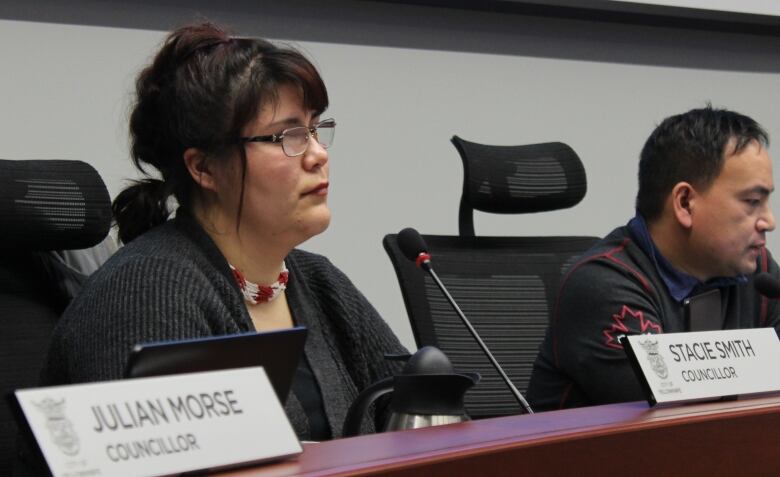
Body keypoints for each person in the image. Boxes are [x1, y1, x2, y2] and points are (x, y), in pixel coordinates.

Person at [40, 22, 406, 440]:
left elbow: (428, 416)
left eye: (315, 129)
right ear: (205, 167)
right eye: (290, 135)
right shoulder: (147, 294)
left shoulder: (321, 283)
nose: (318, 154)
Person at [527, 106, 780, 411]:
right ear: (685, 203)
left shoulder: (757, 272)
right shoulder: (603, 285)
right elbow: (681, 422)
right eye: (752, 202)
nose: (769, 221)